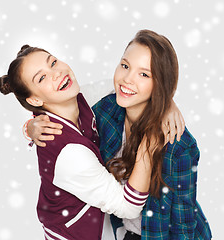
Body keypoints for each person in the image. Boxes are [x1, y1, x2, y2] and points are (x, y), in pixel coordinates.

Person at [28, 29, 212, 239]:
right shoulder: (105, 109)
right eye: (125, 66)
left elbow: (183, 225)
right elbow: (58, 104)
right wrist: (31, 126)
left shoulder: (178, 145)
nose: (127, 79)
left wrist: (167, 102)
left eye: (144, 74)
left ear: (160, 83)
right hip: (124, 231)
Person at [0, 45, 161, 240]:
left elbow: (128, 86)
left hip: (96, 224)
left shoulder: (80, 100)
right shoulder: (69, 152)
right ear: (34, 100)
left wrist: (167, 105)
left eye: (53, 62)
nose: (56, 73)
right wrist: (150, 141)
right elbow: (129, 207)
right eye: (41, 78)